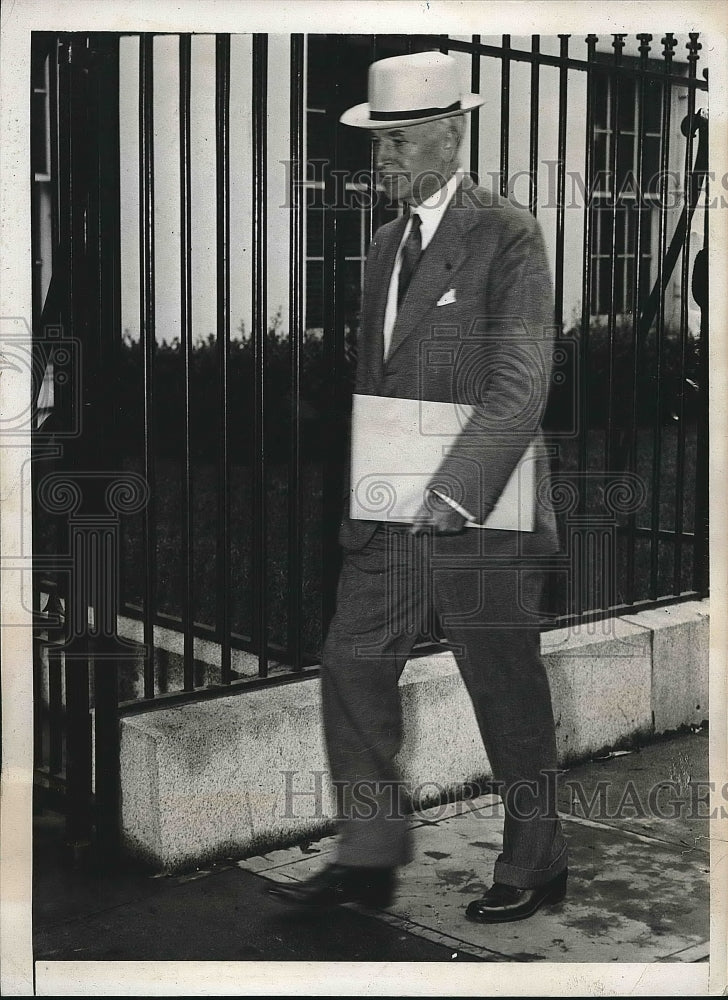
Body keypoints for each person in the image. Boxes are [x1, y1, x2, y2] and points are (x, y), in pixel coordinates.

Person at [269, 50, 568, 923]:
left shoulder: (508, 232)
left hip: (481, 506)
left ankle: (536, 856)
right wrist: (374, 492)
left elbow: (520, 383)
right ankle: (369, 856)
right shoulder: (383, 246)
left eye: (400, 143)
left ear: (452, 133)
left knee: (504, 684)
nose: (383, 163)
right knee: (353, 662)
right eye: (378, 146)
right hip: (391, 505)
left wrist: (459, 488)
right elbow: (378, 377)